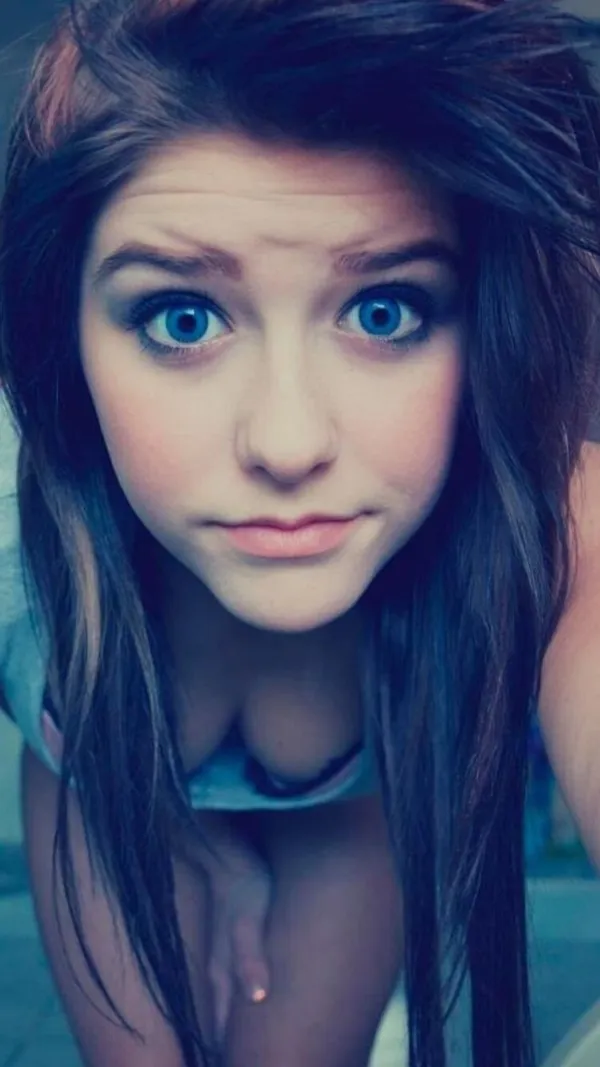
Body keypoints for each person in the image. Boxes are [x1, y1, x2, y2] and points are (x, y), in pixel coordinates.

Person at [1, 0, 600, 1065]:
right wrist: (201, 847)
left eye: (384, 311)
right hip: (107, 780)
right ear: (67, 345)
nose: (287, 442)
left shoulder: (545, 518)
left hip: (352, 813)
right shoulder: (25, 554)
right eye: (183, 317)